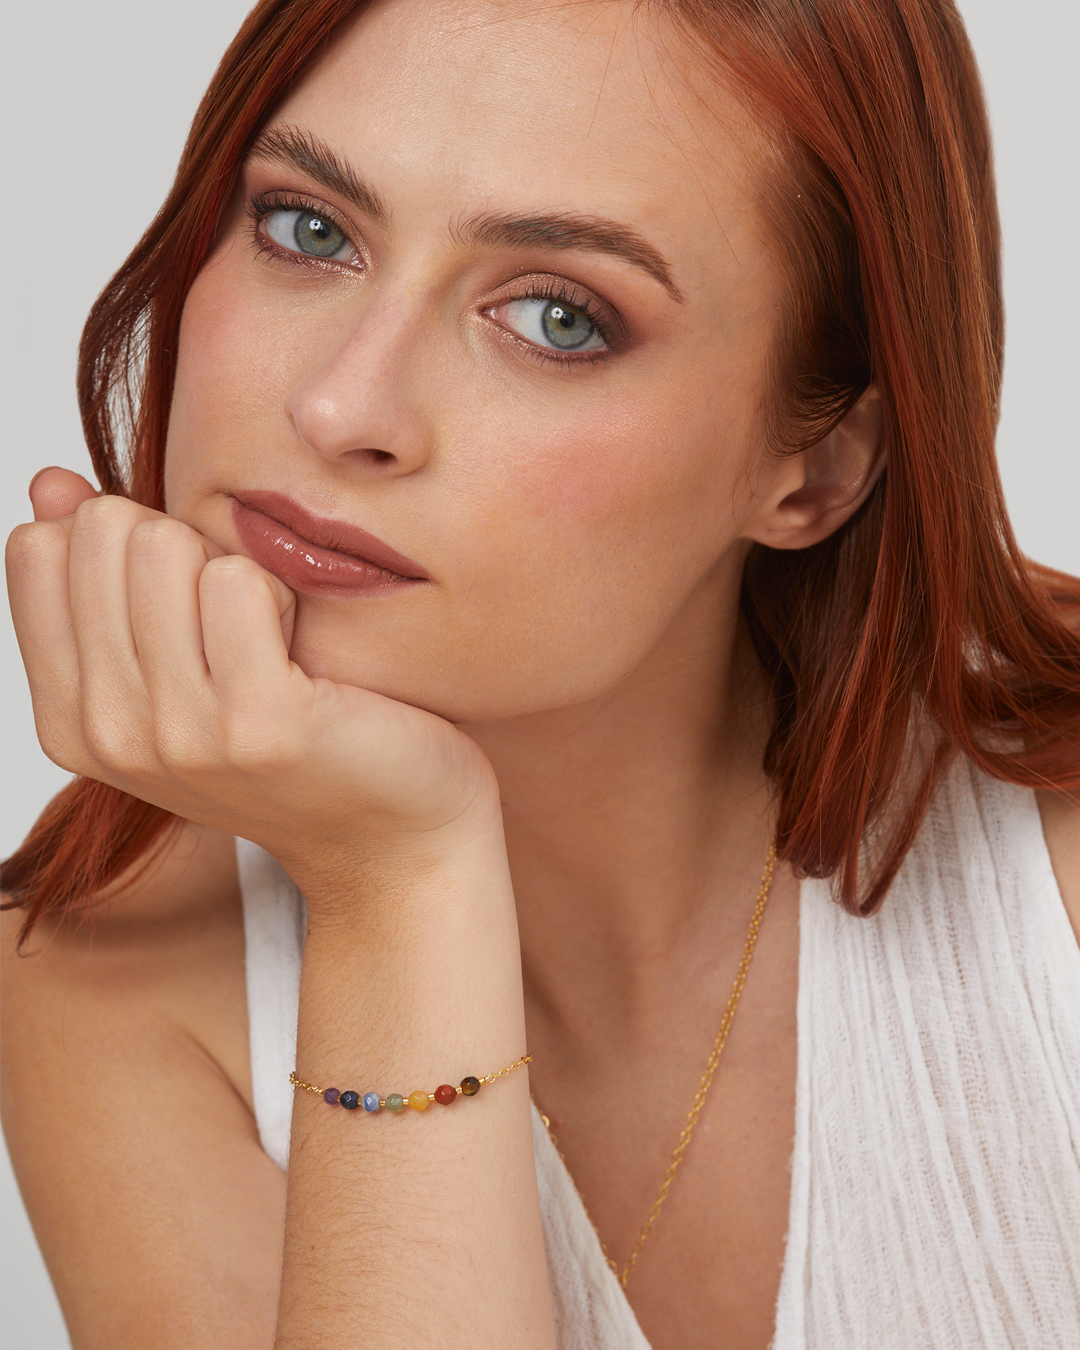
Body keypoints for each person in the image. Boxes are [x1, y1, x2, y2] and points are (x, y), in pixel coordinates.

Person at [2, 0, 1079, 1345]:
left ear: (816, 469)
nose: (339, 408)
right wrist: (398, 882)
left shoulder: (1054, 870)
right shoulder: (107, 965)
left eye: (559, 318)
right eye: (309, 229)